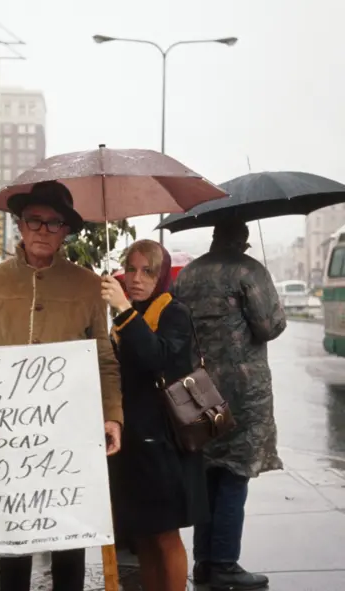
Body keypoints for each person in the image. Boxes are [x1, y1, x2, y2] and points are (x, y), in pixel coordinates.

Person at [0, 180, 123, 591]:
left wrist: (113, 416)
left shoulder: (86, 285)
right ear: (20, 225)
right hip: (6, 435)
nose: (43, 230)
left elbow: (104, 358)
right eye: (34, 221)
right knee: (13, 538)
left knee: (70, 536)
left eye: (54, 223)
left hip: (70, 433)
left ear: (66, 231)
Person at [172, 220, 286, 591]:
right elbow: (268, 326)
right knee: (236, 472)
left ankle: (204, 562)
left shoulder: (187, 274)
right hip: (243, 392)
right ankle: (224, 563)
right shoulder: (248, 271)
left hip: (199, 390)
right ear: (243, 241)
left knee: (207, 471)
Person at [101, 239, 209, 591]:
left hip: (164, 442)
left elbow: (157, 358)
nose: (136, 278)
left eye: (147, 270)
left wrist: (123, 311)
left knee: (165, 534)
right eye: (130, 269)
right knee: (142, 534)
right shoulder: (129, 313)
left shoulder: (173, 311)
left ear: (161, 275)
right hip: (133, 440)